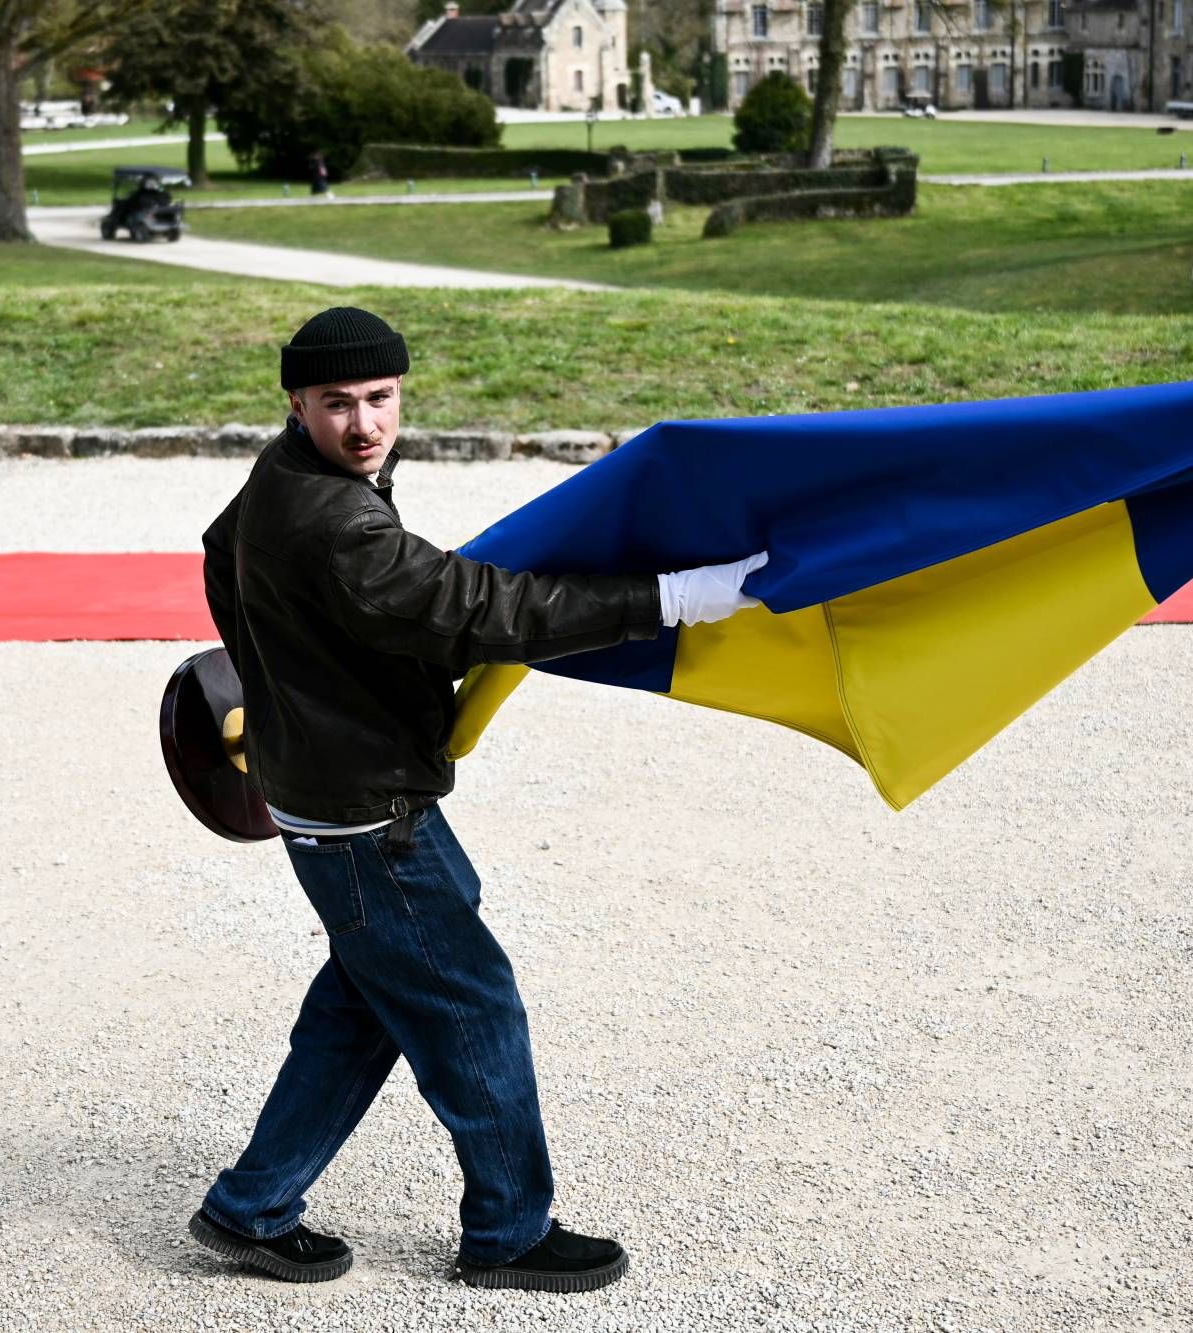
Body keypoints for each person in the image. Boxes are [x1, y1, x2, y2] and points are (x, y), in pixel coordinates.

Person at [191, 306, 765, 1292]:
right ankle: (508, 1232)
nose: (364, 424)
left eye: (380, 398)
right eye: (337, 403)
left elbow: (218, 549)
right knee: (473, 1007)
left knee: (366, 1003)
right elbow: (481, 611)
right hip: (368, 815)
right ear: (296, 402)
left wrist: (289, 683)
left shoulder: (285, 473)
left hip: (332, 794)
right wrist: (670, 600)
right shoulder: (335, 521)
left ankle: (250, 1206)